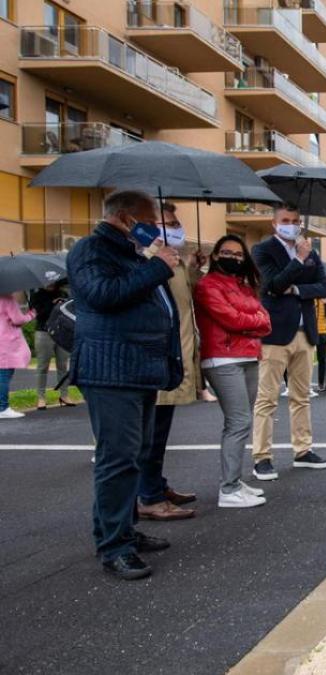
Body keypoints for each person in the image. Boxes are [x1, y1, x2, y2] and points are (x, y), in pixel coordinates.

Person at [68, 190, 181, 580]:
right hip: (110, 370)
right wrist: (157, 266)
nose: (155, 228)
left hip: (138, 368)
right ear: (126, 218)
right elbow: (103, 294)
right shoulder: (91, 249)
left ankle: (123, 530)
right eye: (149, 220)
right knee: (118, 459)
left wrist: (154, 264)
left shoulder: (133, 254)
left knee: (134, 455)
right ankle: (114, 545)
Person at [250, 205, 326, 481]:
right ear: (274, 224)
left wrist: (297, 289)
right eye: (285, 221)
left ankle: (303, 450)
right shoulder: (262, 251)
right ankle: (261, 457)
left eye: (296, 221)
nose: (292, 225)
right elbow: (272, 285)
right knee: (267, 398)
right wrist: (298, 260)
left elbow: (324, 287)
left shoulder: (311, 251)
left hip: (304, 333)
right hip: (274, 334)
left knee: (301, 397)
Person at [195, 235, 271, 507]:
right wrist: (252, 322)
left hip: (249, 356)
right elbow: (230, 318)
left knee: (242, 421)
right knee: (238, 423)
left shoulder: (244, 286)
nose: (235, 258)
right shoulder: (206, 285)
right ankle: (228, 490)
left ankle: (235, 480)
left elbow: (265, 320)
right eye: (228, 253)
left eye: (240, 255)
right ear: (215, 255)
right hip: (222, 359)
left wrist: (247, 322)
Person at [138, 202, 202, 521]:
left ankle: (155, 485)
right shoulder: (147, 261)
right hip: (158, 361)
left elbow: (187, 301)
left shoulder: (173, 261)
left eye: (177, 222)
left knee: (160, 433)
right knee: (152, 434)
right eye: (169, 223)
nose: (176, 227)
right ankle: (148, 496)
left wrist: (192, 268)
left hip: (178, 358)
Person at [29, 279, 79, 409]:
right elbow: (39, 314)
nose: (50, 284)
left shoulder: (63, 294)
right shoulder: (36, 295)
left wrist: (61, 303)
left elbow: (70, 311)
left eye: (52, 281)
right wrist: (53, 305)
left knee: (62, 366)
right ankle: (41, 397)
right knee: (42, 366)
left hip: (62, 333)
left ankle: (64, 395)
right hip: (44, 332)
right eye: (47, 281)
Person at [0, 291, 35, 420]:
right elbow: (18, 319)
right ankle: (2, 408)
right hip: (5, 342)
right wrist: (31, 314)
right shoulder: (6, 298)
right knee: (4, 374)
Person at [314, 297, 326, 392]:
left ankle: (321, 383)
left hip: (323, 332)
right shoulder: (310, 299)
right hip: (310, 332)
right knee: (306, 359)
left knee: (322, 359)